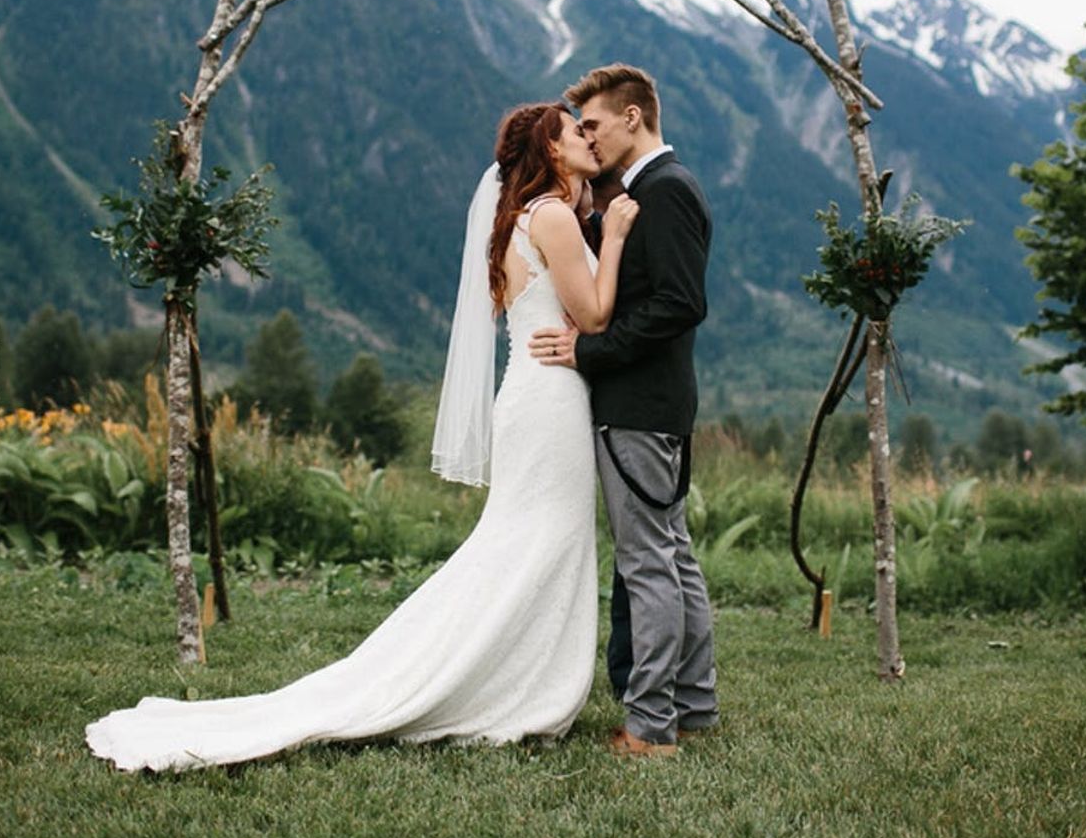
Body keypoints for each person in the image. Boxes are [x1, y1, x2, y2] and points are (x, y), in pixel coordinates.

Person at [85, 102, 638, 772]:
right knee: (542, 540)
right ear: (548, 151)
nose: (586, 134)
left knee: (523, 542)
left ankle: (504, 675)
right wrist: (613, 238)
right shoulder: (550, 216)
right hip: (551, 402)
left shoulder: (521, 219)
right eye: (572, 129)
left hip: (528, 392)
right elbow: (595, 312)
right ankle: (510, 685)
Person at [529, 64, 719, 758]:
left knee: (648, 563)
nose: (589, 136)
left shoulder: (665, 191)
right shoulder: (650, 191)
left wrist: (589, 351)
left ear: (632, 118)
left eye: (596, 124)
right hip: (659, 403)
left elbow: (679, 303)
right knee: (673, 556)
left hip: (639, 405)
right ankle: (694, 707)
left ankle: (649, 726)